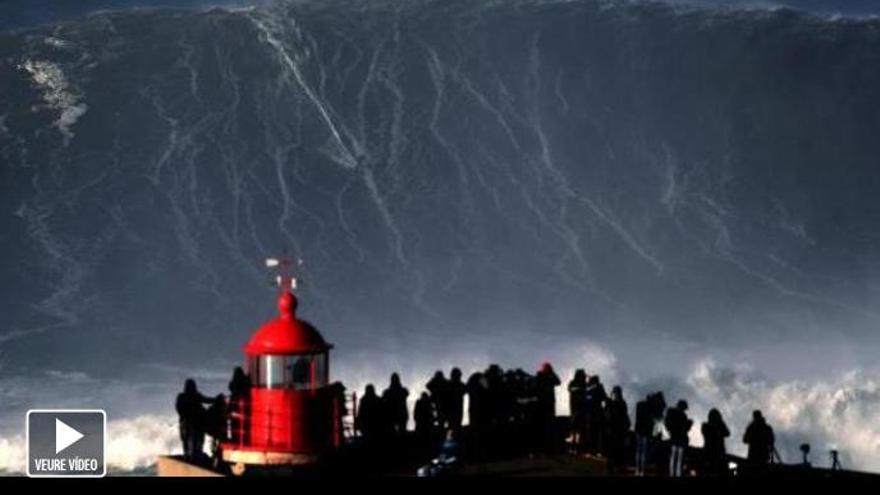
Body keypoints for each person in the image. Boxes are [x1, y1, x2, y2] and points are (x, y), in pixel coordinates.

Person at [175, 379, 213, 461]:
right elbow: (207, 400)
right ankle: (195, 456)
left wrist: (185, 416)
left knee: (186, 441)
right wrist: (216, 399)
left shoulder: (181, 396)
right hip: (195, 423)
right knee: (197, 441)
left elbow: (178, 409)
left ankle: (188, 456)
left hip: (186, 423)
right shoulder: (196, 395)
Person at [604, 386, 631, 475]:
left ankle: (615, 468)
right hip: (614, 431)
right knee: (614, 451)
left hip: (617, 431)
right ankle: (613, 468)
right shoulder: (618, 403)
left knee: (616, 451)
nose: (616, 395)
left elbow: (624, 418)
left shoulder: (617, 404)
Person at [535, 362, 561, 453]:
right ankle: (543, 447)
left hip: (549, 402)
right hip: (543, 402)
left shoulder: (550, 376)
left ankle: (548, 447)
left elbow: (558, 382)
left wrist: (552, 373)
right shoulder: (540, 376)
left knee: (549, 424)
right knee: (543, 424)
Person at [664, 400, 692, 477]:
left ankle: (672, 473)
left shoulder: (671, 413)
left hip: (674, 438)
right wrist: (689, 424)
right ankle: (676, 474)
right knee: (678, 458)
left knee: (673, 457)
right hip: (680, 439)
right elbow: (685, 429)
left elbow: (668, 424)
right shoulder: (683, 415)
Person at [701, 408, 730, 476]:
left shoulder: (718, 426)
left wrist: (721, 422)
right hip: (711, 453)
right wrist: (720, 422)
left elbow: (727, 433)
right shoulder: (706, 425)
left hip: (719, 454)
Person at [583, 375, 607, 454]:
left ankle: (592, 450)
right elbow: (604, 398)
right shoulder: (596, 388)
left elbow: (604, 398)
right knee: (594, 433)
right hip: (594, 413)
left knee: (592, 433)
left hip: (591, 413)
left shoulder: (591, 388)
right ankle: (594, 450)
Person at [227, 367, 250, 444]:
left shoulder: (233, 383)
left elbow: (230, 387)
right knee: (244, 424)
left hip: (234, 406)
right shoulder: (245, 381)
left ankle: (235, 439)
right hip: (243, 407)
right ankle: (245, 439)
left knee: (235, 425)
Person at [568, 369, 588, 454]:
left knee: (578, 429)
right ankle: (573, 447)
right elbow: (570, 389)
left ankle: (576, 448)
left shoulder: (584, 384)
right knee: (574, 429)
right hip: (575, 408)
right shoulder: (574, 382)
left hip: (580, 408)